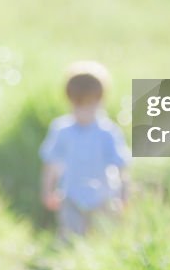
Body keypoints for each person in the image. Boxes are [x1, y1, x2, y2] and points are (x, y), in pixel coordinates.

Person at [39, 61, 131, 242]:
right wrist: (48, 190)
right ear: (70, 101)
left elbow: (121, 167)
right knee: (70, 237)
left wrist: (124, 196)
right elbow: (51, 163)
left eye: (90, 105)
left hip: (103, 198)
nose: (84, 112)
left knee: (102, 239)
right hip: (71, 196)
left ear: (100, 101)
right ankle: (67, 266)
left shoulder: (107, 132)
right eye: (79, 105)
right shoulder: (62, 130)